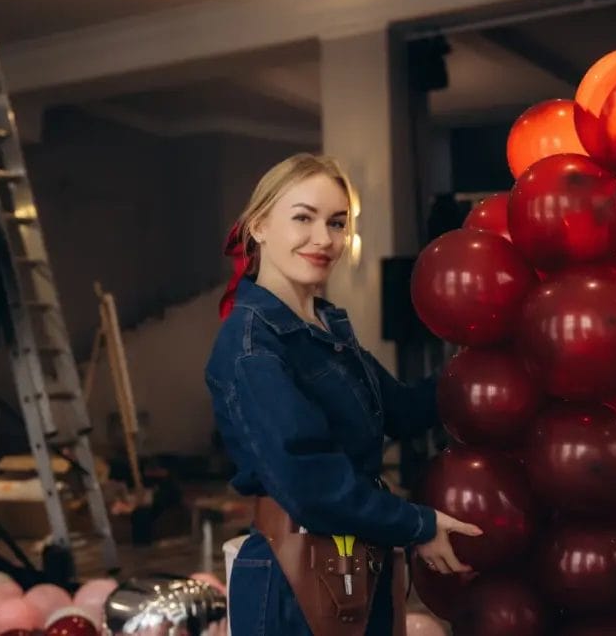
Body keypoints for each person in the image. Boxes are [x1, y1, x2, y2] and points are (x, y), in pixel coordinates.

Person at [205, 153, 482, 635]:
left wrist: (484, 362)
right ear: (259, 226)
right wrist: (419, 524)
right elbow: (311, 484)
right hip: (294, 580)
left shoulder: (324, 327)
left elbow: (402, 410)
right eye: (303, 218)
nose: (324, 239)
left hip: (354, 562)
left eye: (337, 222)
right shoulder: (253, 343)